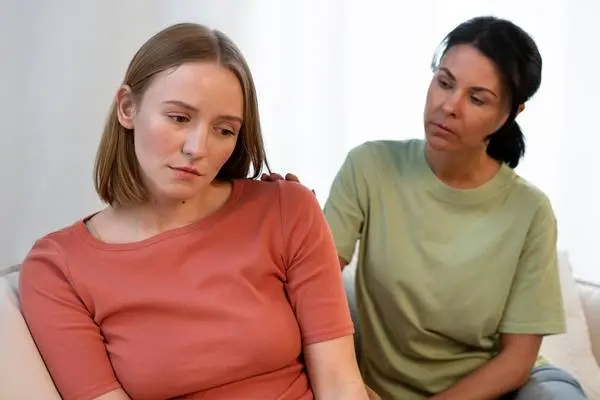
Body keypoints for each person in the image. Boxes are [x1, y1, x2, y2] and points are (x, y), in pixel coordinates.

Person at [18, 23, 371, 400]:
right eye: (179, 118)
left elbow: (340, 383)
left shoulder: (288, 209)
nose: (197, 148)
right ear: (127, 108)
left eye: (224, 130)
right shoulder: (57, 269)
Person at [263, 16, 588, 400]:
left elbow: (517, 361)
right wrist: (293, 219)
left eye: (477, 98)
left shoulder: (530, 211)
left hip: (504, 392)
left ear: (511, 114)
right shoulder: (370, 167)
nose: (449, 106)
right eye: (445, 82)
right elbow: (313, 285)